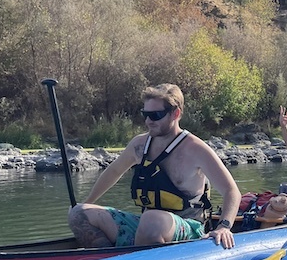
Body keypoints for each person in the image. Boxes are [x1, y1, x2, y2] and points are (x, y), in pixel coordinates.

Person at [68, 84, 241, 249]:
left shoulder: (196, 149)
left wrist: (224, 226)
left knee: (151, 220)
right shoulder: (139, 145)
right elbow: (114, 171)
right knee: (78, 213)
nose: (149, 121)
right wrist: (88, 202)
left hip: (188, 228)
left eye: (156, 115)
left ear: (176, 113)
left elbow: (231, 191)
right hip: (148, 225)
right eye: (146, 114)